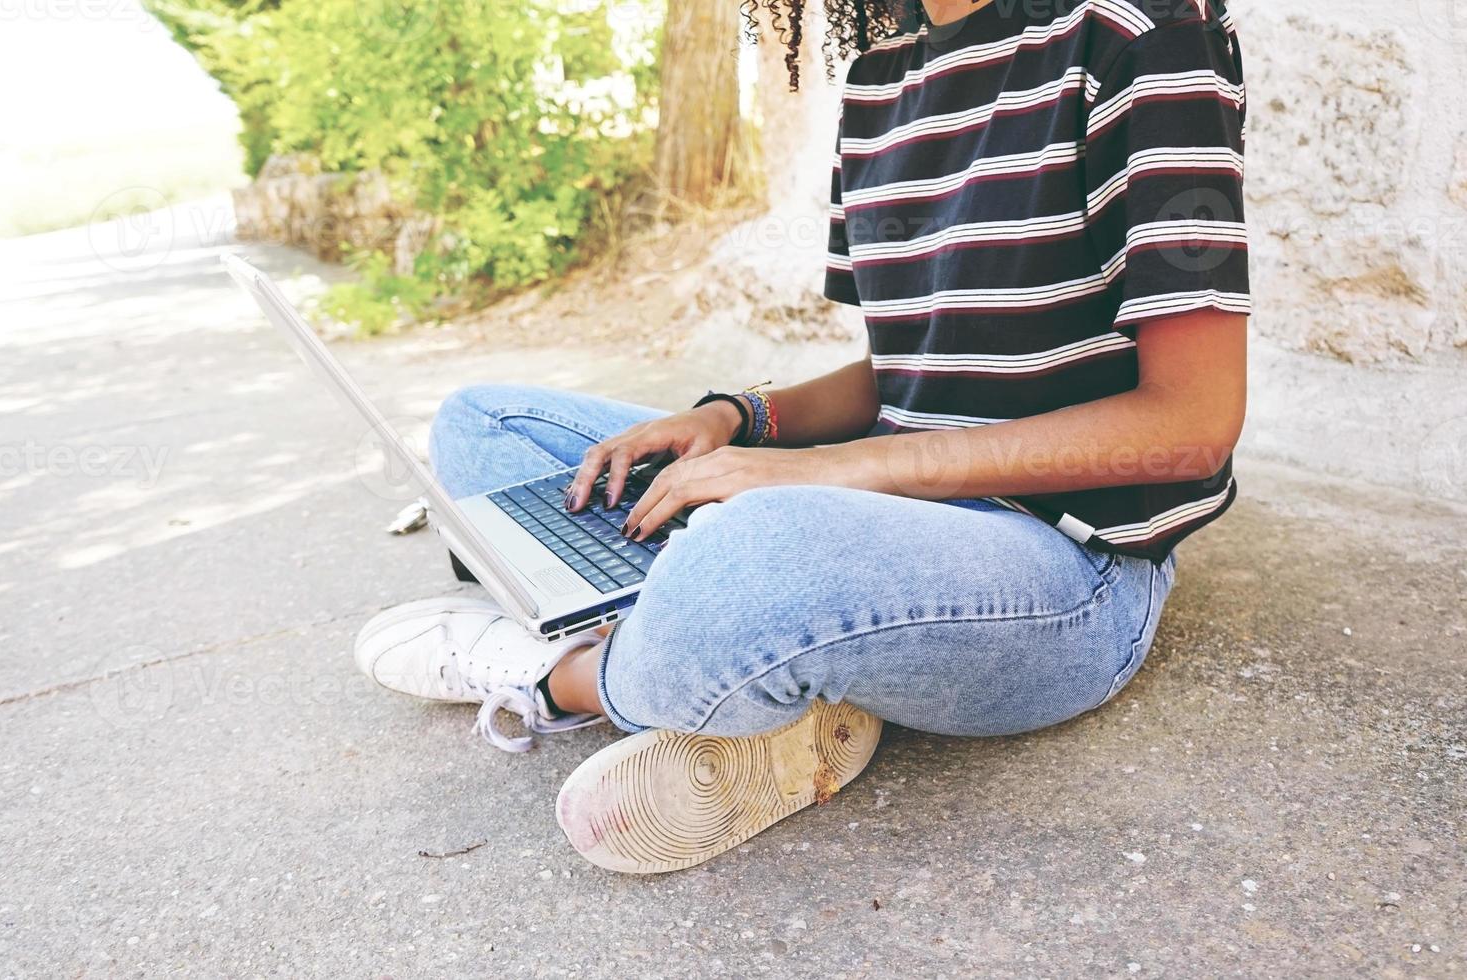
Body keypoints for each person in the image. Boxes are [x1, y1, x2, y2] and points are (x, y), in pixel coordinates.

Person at [354, 0, 1249, 874]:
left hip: (1059, 567)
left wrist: (817, 477)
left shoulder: (1145, 33)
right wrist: (736, 420)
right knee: (483, 425)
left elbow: (1189, 427)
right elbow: (907, 370)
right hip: (863, 520)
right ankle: (755, 675)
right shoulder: (879, 80)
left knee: (757, 550)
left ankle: (562, 675)